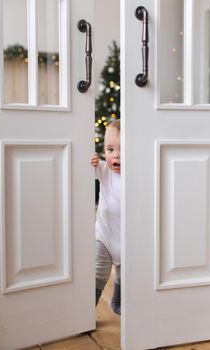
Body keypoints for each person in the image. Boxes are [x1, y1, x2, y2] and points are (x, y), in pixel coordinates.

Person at [90, 119, 121, 315]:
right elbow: (86, 170)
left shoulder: (139, 173)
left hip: (130, 238)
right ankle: (86, 311)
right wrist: (92, 162)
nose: (115, 155)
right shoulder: (103, 169)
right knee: (98, 272)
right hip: (105, 235)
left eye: (121, 149)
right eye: (110, 150)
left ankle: (118, 303)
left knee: (125, 275)